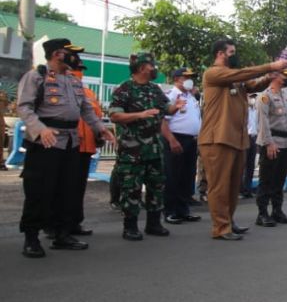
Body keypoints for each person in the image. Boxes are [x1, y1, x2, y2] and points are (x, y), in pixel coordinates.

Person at [17, 38, 116, 258]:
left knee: (67, 190)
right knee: (39, 191)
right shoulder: (36, 77)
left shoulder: (73, 81)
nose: (76, 58)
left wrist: (101, 129)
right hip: (46, 141)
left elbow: (86, 111)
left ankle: (62, 234)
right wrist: (40, 129)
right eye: (70, 53)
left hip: (71, 141)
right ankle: (31, 238)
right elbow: (24, 108)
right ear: (56, 54)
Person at [199, 39, 287, 241]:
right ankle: (220, 227)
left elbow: (251, 84)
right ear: (221, 54)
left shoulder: (234, 78)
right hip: (217, 138)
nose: (235, 55)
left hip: (236, 139)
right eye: (231, 52)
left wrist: (269, 77)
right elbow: (241, 75)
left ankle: (228, 222)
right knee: (219, 186)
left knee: (232, 186)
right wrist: (269, 66)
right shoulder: (213, 73)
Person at [109, 53, 185, 241]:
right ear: (142, 67)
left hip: (154, 148)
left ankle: (153, 223)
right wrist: (140, 115)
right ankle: (130, 226)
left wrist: (176, 107)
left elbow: (166, 109)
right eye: (152, 65)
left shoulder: (154, 89)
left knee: (156, 185)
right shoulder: (124, 89)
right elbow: (115, 115)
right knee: (131, 188)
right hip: (132, 149)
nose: (154, 68)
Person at [65, 54, 103, 237]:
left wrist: (99, 134)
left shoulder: (87, 92)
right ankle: (57, 225)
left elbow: (96, 116)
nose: (78, 73)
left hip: (86, 147)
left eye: (80, 70)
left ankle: (74, 223)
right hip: (70, 146)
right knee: (65, 188)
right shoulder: (65, 89)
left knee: (78, 189)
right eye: (75, 69)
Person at [255, 69, 287, 227]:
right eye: (284, 75)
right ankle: (262, 213)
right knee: (266, 179)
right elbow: (263, 122)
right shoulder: (265, 96)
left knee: (280, 179)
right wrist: (269, 143)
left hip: (285, 142)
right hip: (272, 142)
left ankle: (277, 210)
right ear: (276, 77)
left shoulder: (284, 96)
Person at [161, 68, 202, 225]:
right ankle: (170, 211)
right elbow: (163, 121)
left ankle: (183, 210)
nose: (191, 80)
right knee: (172, 176)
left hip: (191, 140)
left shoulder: (190, 97)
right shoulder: (170, 95)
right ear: (177, 79)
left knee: (187, 175)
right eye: (187, 77)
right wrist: (171, 140)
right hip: (176, 138)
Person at [240, 93, 259, 199]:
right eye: (251, 97)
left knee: (251, 165)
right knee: (242, 164)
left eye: (254, 97)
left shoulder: (255, 111)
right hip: (244, 137)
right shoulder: (242, 109)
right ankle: (241, 189)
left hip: (253, 138)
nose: (253, 99)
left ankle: (247, 188)